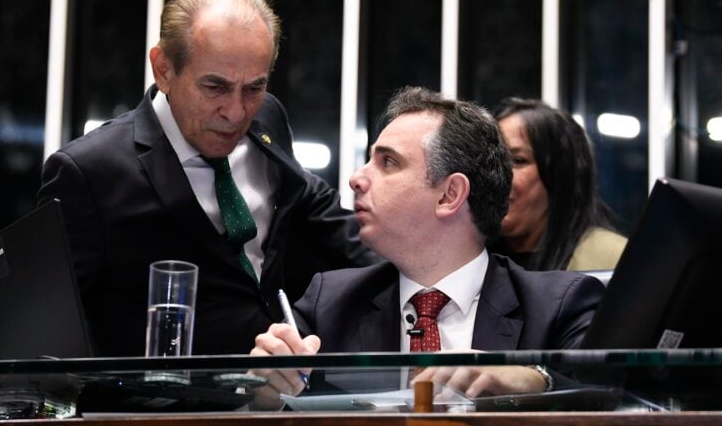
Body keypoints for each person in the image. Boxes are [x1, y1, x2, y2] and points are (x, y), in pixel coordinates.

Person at [0, 0, 376, 359]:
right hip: (158, 414)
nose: (236, 112)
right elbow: (27, 322)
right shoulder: (90, 170)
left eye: (253, 88)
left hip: (274, 391)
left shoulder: (268, 116)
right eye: (215, 87)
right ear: (163, 69)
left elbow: (318, 212)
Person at [251, 87, 605, 399]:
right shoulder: (329, 303)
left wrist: (534, 378)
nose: (356, 178)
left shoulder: (559, 305)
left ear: (450, 195)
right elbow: (281, 412)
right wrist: (265, 394)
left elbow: (609, 396)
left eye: (388, 162)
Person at [490, 98, 627, 272]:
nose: (496, 175)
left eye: (518, 160)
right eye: (492, 160)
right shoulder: (467, 262)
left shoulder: (613, 260)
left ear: (560, 175)